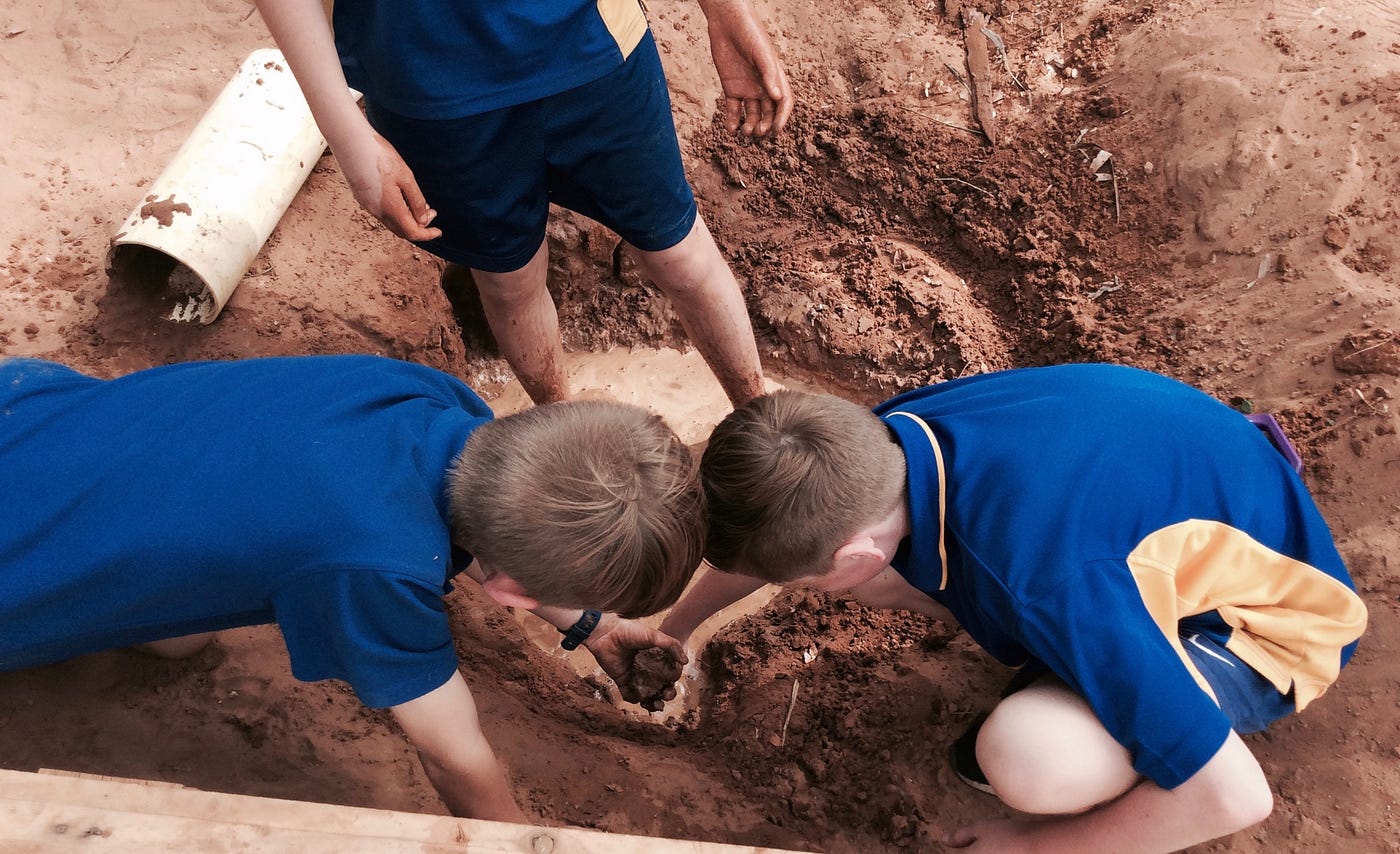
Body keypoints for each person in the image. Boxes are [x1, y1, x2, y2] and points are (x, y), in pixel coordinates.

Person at [652, 363, 1368, 852]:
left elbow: (1236, 799)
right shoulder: (875, 441)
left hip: (1269, 620)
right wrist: (672, 631)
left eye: (806, 581)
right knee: (929, 599)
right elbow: (771, 546)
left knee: (1025, 757)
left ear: (853, 555)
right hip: (1186, 490)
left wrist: (1035, 847)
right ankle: (1088, 672)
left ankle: (1117, 703)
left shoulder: (1045, 578)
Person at [0, 354, 704, 822]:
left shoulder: (437, 401)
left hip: (35, 411)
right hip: (14, 568)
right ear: (509, 594)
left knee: (183, 630)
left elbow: (489, 525)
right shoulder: (374, 570)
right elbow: (453, 756)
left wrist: (595, 628)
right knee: (160, 622)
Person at [252, 0, 792, 406]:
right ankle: (565, 427)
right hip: (428, 84)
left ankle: (758, 414)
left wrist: (726, 13)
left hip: (594, 42)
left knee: (681, 250)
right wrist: (346, 133)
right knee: (510, 279)